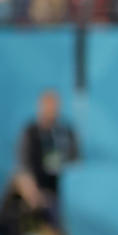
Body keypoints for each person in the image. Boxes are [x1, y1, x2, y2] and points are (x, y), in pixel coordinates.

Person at [18, 90, 79, 219]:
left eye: (54, 105)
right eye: (47, 105)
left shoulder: (66, 133)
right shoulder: (31, 132)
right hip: (36, 192)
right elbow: (24, 166)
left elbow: (75, 163)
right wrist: (33, 193)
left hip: (60, 194)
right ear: (40, 106)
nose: (50, 109)